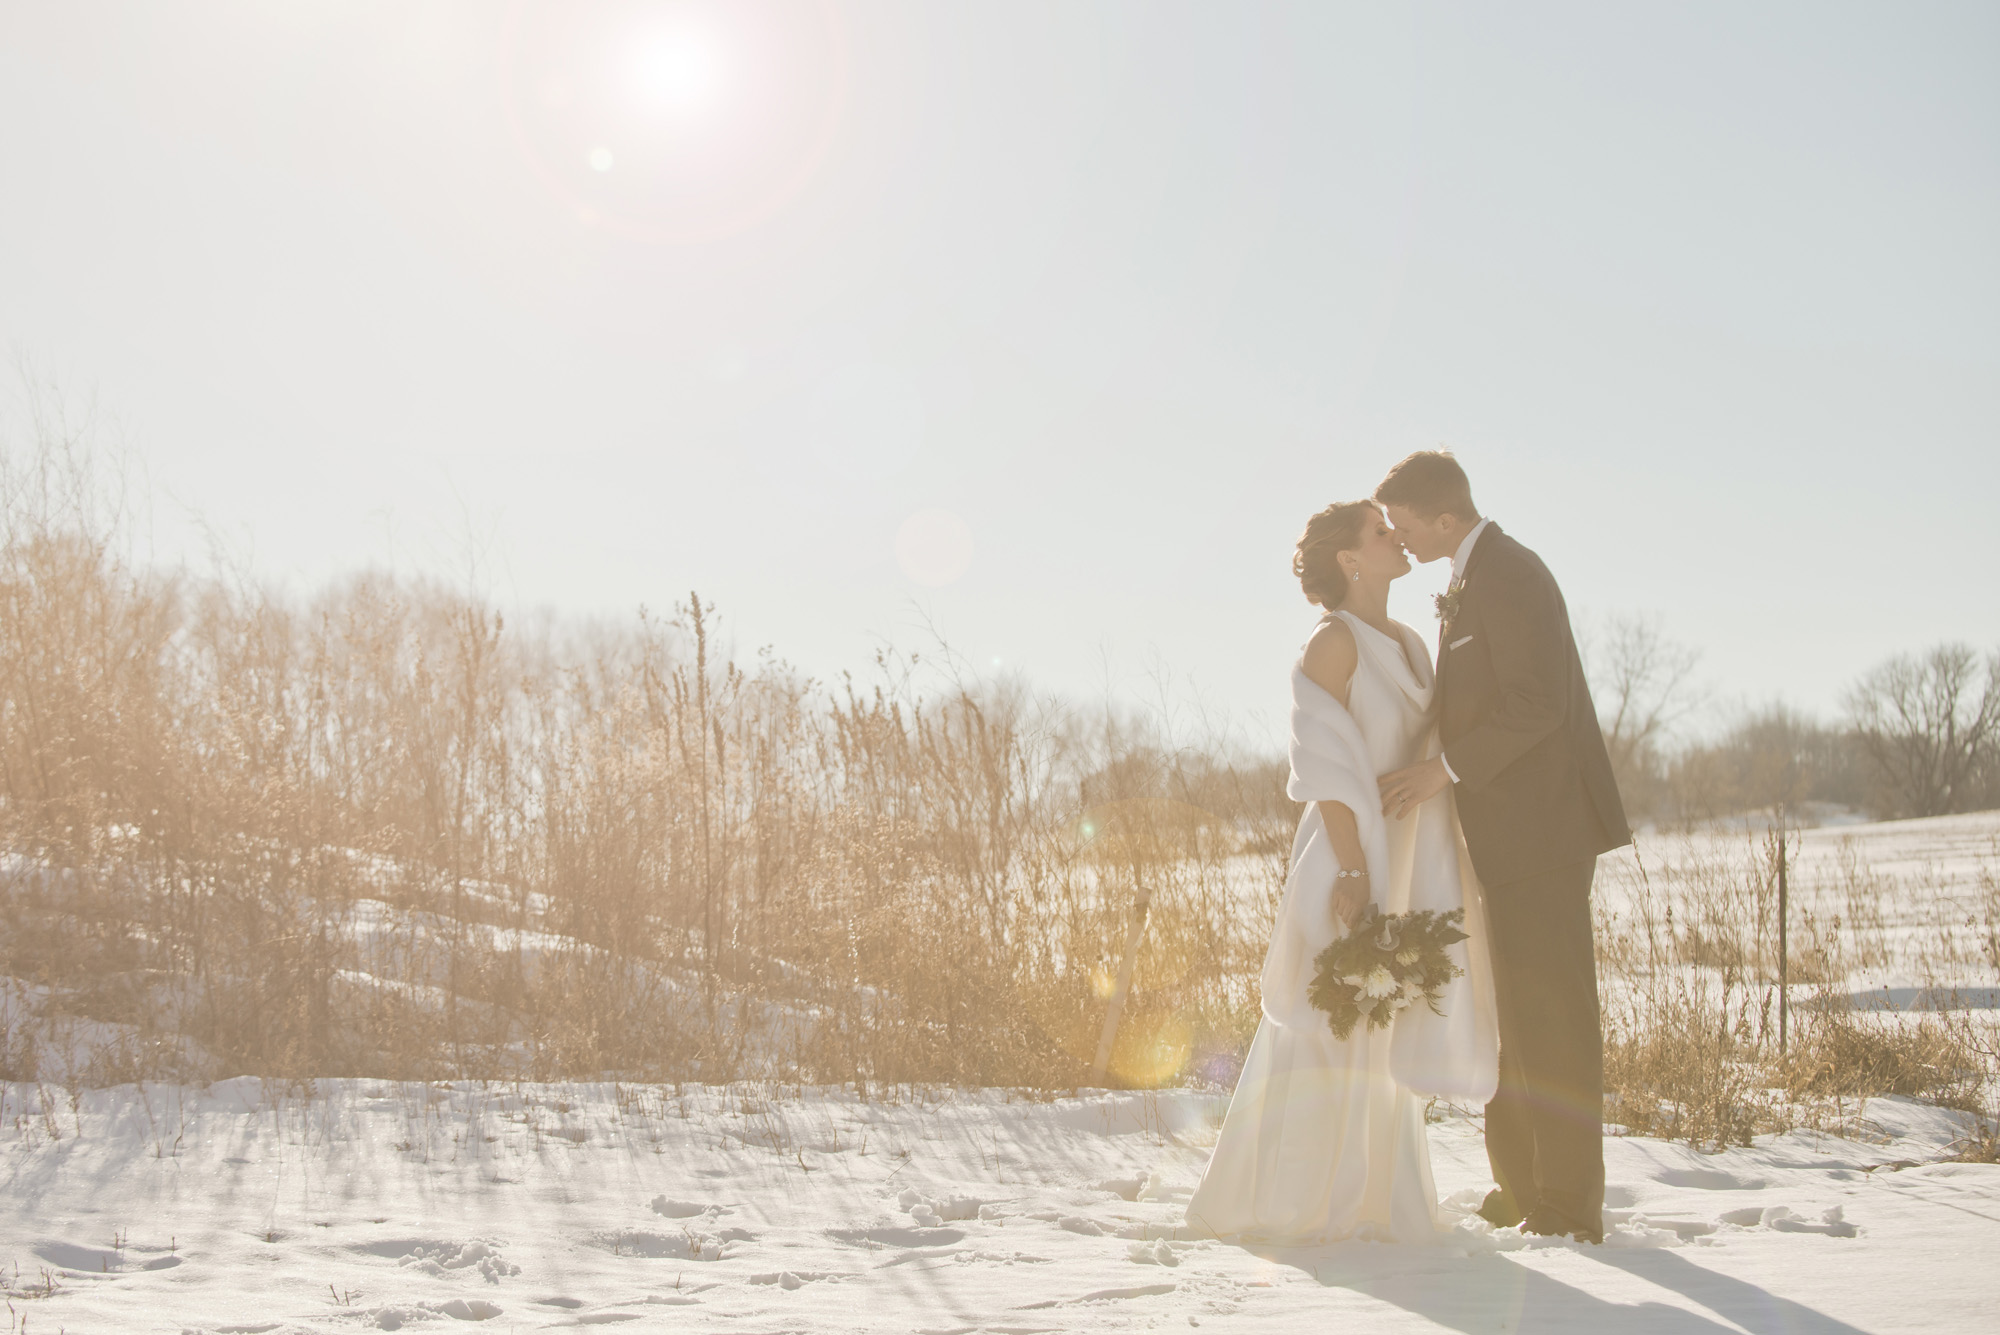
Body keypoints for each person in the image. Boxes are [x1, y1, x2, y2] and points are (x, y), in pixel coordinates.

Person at [1184, 500, 1497, 1243]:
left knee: (1386, 1025)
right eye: (1382, 532)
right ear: (1351, 560)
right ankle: (1294, 1199)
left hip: (1408, 853)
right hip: (1348, 852)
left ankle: (1373, 1198)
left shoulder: (1415, 644)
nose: (1398, 537)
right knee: (1333, 1020)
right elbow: (1323, 770)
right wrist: (1353, 870)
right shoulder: (1332, 643)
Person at [1374, 450, 1631, 1245]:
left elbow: (1537, 704)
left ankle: (1569, 1205)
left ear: (1446, 517)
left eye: (1407, 525)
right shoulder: (1470, 576)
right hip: (1505, 835)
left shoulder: (1512, 573)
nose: (1401, 538)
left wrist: (1441, 772)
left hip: (1543, 830)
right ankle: (1523, 1184)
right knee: (1516, 1013)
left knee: (1554, 1017)